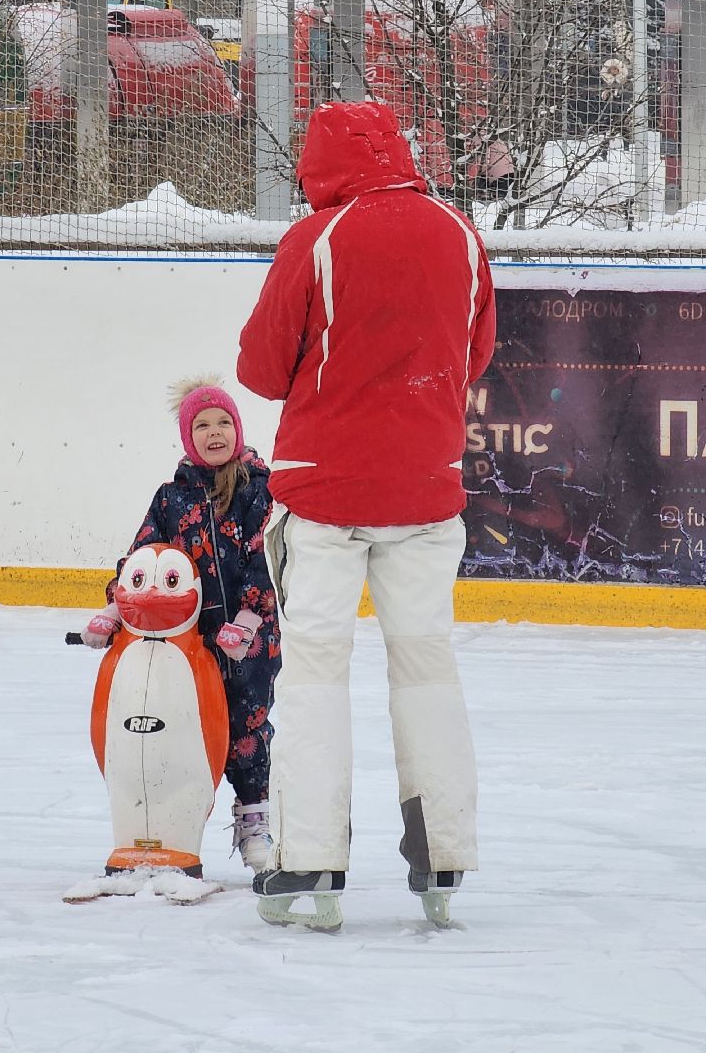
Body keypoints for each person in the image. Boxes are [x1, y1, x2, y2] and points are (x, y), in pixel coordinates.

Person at [236, 100, 496, 930]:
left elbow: (263, 370)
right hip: (426, 490)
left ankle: (308, 856)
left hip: (325, 498)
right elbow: (475, 351)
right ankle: (444, 855)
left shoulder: (315, 241)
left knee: (315, 672)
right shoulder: (457, 232)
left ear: (319, 167)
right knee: (428, 666)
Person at [80, 377, 280, 871]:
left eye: (223, 422)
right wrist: (113, 611)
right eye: (202, 425)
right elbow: (142, 559)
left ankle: (254, 821)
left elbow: (269, 557)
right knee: (182, 730)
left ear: (238, 428)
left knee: (246, 728)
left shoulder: (261, 491)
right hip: (183, 644)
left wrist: (250, 619)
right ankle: (163, 826)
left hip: (246, 642)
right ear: (189, 438)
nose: (215, 433)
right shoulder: (172, 498)